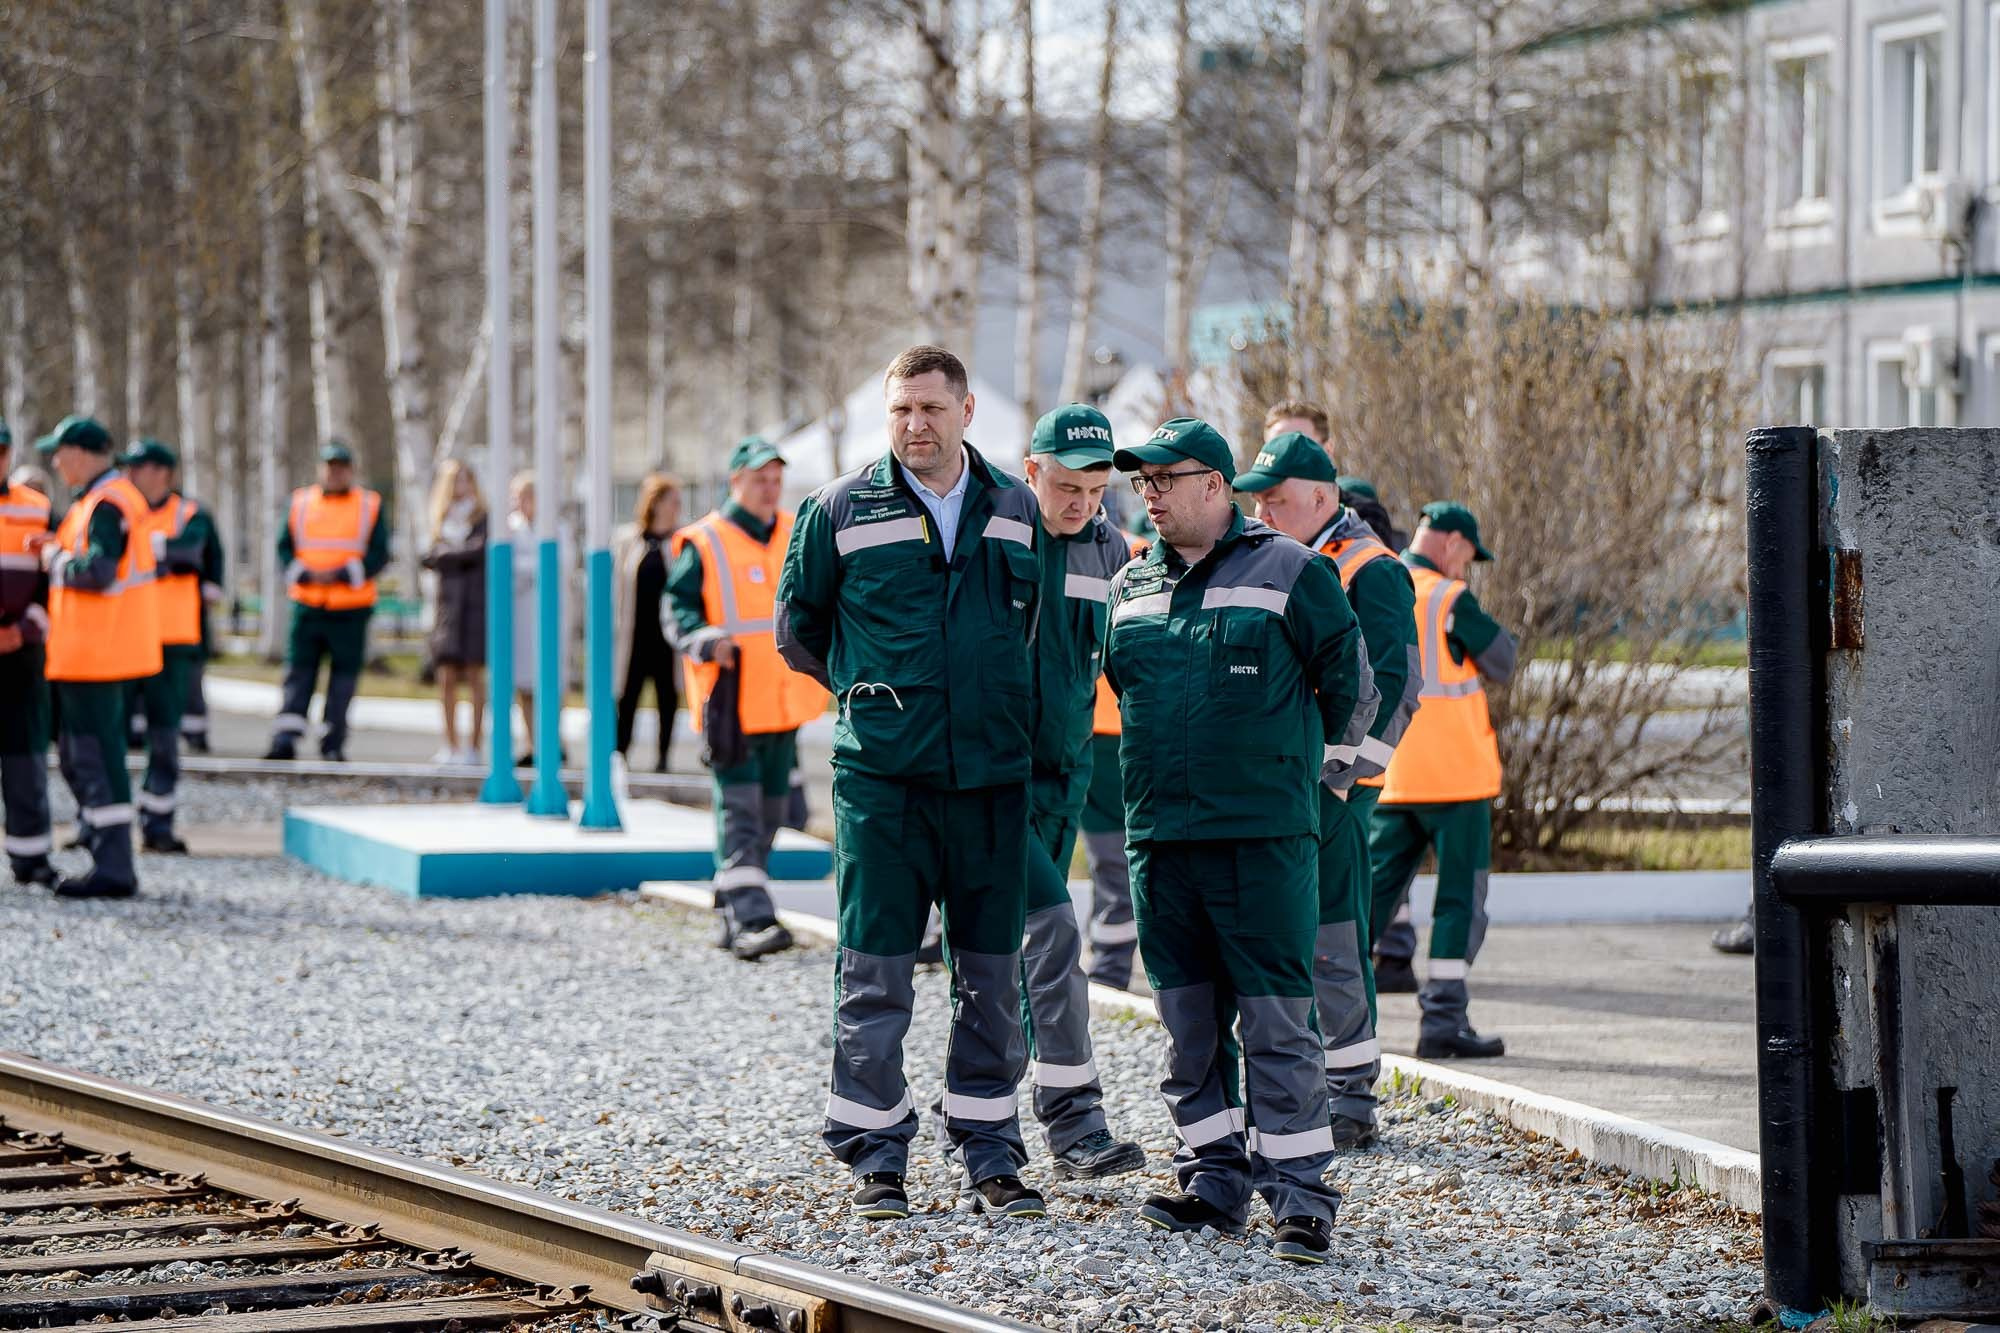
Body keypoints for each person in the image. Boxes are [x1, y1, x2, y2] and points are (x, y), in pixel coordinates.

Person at [776, 344, 1048, 1222]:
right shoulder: (838, 509)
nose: (914, 426)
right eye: (900, 410)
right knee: (876, 970)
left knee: (993, 976)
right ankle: (874, 1154)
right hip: (883, 783)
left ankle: (991, 1152)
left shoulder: (1015, 507)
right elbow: (799, 630)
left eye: (930, 408)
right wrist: (876, 704)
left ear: (966, 412)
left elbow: (1035, 628)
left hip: (991, 782)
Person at [1103, 417, 1375, 1263]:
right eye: (1140, 482)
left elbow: (1352, 690)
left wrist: (1303, 781)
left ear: (1215, 485)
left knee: (1278, 1024)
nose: (1148, 493)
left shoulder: (1292, 571)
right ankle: (1211, 1181)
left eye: (1164, 478)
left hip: (1263, 845)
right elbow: (1122, 685)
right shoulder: (1130, 587)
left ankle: (1301, 1199)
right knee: (1187, 1027)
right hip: (1161, 843)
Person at [1236, 429, 1420, 1151]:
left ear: (1321, 497)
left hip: (1328, 788)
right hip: (1286, 780)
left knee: (1333, 937)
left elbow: (1398, 682)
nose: (1266, 513)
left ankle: (1351, 1097)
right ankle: (1303, 1086)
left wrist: (1345, 777)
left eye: (1276, 500)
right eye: (1260, 502)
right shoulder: (1284, 555)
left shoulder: (1368, 567)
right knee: (1289, 936)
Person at [1002, 403, 1147, 1178]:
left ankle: (996, 1120)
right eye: (1065, 485)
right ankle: (1075, 1121)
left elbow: (1118, 661)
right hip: (991, 779)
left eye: (1095, 489)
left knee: (1018, 949)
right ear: (1032, 472)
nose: (1080, 503)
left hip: (1067, 774)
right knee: (1053, 930)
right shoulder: (995, 537)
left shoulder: (1112, 549)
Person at [665, 437, 828, 961]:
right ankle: (752, 917)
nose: (769, 488)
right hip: (730, 703)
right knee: (741, 810)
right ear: (735, 481)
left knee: (776, 811)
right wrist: (704, 638)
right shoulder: (706, 541)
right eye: (759, 479)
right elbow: (678, 608)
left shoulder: (793, 532)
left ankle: (733, 901)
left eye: (776, 479)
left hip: (783, 703)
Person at [1370, 502, 1517, 1060]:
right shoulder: (1448, 598)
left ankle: (1319, 1012)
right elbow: (1502, 660)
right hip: (1455, 782)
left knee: (1366, 900)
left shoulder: (1378, 579)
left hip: (1392, 777)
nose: (1467, 568)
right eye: (1468, 556)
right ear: (1453, 542)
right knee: (1459, 902)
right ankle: (1443, 1023)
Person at [31, 416, 162, 898]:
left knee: (93, 759)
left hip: (95, 654)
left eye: (59, 452)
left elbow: (99, 571)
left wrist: (53, 560)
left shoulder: (105, 504)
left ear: (80, 453)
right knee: (86, 756)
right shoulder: (105, 500)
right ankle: (103, 847)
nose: (54, 462)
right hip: (98, 653)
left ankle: (113, 867)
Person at [263, 442, 390, 763]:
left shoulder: (369, 504)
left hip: (350, 608)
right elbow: (283, 547)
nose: (335, 472)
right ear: (320, 468)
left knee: (343, 678)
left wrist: (342, 574)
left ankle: (333, 742)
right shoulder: (300, 502)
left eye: (341, 466)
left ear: (351, 470)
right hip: (308, 604)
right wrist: (304, 574)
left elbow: (379, 552)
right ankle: (285, 738)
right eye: (330, 466)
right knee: (298, 673)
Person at [122, 440, 208, 855]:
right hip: (125, 635)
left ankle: (158, 826)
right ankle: (100, 827)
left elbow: (189, 553)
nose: (132, 475)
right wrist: (161, 554)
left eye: (140, 467)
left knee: (164, 738)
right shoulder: (120, 510)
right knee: (111, 736)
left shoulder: (189, 514)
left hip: (172, 642)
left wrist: (146, 551)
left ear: (164, 473)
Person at [0, 421, 56, 888]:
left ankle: (31, 857)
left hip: (22, 652)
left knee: (24, 754)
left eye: (0, 451)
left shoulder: (38, 509)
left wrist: (24, 627)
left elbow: (53, 581)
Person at [614, 473, 683, 771]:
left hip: (667, 636)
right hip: (635, 632)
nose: (677, 507)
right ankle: (619, 755)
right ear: (655, 503)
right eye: (673, 501)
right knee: (627, 696)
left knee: (667, 697)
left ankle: (663, 758)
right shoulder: (628, 541)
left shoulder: (682, 542)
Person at [422, 460, 489, 767]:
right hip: (447, 609)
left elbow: (477, 552)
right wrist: (454, 557)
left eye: (466, 479)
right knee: (446, 676)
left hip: (476, 608)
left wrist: (449, 557)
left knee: (475, 676)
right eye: (455, 480)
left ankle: (474, 745)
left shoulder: (482, 519)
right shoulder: (439, 520)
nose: (461, 485)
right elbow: (428, 557)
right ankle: (450, 744)